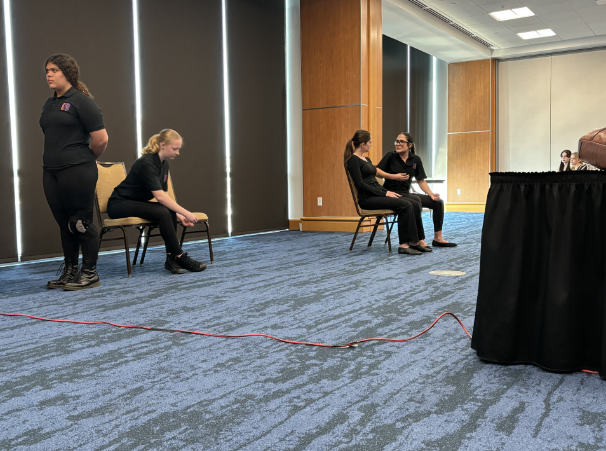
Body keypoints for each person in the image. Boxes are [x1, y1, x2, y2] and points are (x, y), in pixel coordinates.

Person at [42, 54, 108, 291]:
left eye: (54, 70)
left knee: (80, 222)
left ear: (67, 73)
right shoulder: (49, 103)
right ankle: (70, 271)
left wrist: (87, 160)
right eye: (47, 70)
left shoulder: (83, 102)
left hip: (77, 169)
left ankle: (90, 273)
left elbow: (101, 139)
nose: (49, 74)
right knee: (64, 224)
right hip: (51, 171)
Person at [107, 129, 207, 274]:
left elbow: (165, 196)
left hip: (135, 203)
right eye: (175, 149)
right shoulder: (146, 162)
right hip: (119, 204)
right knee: (162, 211)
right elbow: (159, 197)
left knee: (168, 210)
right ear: (162, 145)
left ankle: (171, 260)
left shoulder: (164, 164)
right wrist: (186, 212)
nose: (178, 153)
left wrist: (179, 215)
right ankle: (180, 256)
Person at [345, 129, 428, 255]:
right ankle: (404, 245)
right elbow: (360, 185)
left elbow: (374, 182)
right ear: (363, 144)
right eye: (370, 142)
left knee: (414, 202)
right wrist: (385, 194)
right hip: (367, 199)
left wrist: (387, 191)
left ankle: (415, 241)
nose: (371, 144)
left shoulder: (366, 160)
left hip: (376, 195)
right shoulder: (353, 160)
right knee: (405, 205)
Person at [377, 133, 456, 248]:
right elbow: (377, 171)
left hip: (406, 192)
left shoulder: (415, 160)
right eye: (396, 141)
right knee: (415, 200)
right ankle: (419, 239)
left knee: (438, 202)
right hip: (392, 193)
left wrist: (431, 194)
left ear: (409, 145)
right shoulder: (391, 156)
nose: (398, 144)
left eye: (401, 141)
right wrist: (393, 176)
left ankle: (437, 238)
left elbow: (421, 181)